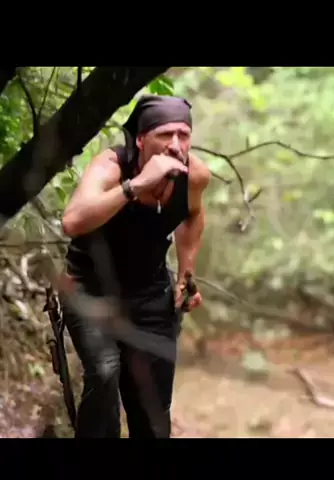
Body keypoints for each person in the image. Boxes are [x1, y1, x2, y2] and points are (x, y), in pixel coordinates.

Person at [59, 94, 211, 438]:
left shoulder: (195, 175)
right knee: (105, 373)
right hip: (89, 290)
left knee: (152, 406)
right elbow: (72, 222)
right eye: (165, 135)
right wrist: (137, 185)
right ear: (141, 139)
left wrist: (186, 274)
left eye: (184, 135)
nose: (176, 145)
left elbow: (193, 215)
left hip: (150, 292)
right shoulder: (111, 167)